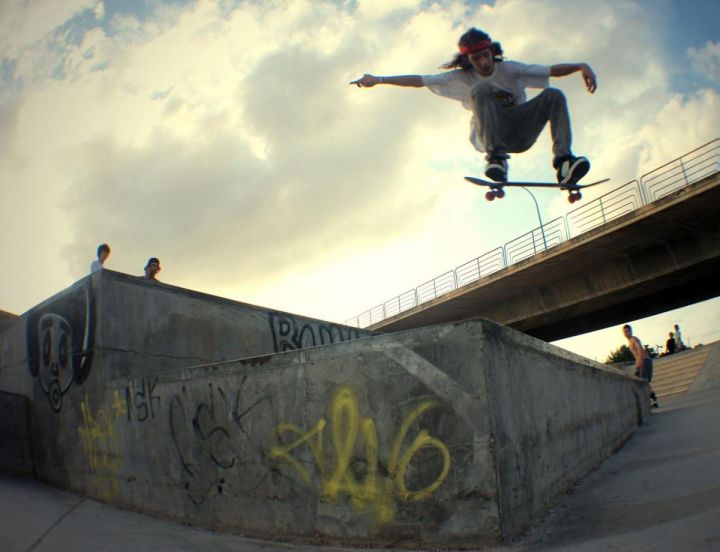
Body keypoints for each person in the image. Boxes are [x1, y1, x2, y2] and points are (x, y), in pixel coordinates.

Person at [351, 27, 597, 184]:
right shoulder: (459, 77)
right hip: (492, 135)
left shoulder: (511, 69)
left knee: (553, 95)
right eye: (476, 59)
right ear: (467, 60)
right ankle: (496, 159)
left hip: (521, 132)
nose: (483, 63)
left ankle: (564, 163)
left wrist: (580, 66)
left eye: (485, 56)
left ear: (492, 53)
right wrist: (379, 80)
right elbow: (419, 80)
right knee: (481, 89)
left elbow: (551, 70)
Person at [623, 324, 659, 408]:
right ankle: (653, 400)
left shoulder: (633, 339)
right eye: (624, 332)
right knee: (644, 382)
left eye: (627, 331)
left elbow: (639, 348)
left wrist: (640, 361)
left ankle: (649, 400)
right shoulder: (630, 342)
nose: (626, 333)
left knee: (639, 381)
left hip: (644, 361)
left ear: (631, 331)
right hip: (644, 361)